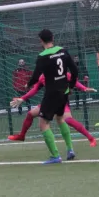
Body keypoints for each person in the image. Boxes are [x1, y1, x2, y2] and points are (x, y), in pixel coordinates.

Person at [9, 72, 98, 154]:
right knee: (31, 114)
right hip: (49, 101)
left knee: (66, 120)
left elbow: (74, 81)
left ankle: (90, 139)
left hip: (60, 100)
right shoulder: (43, 76)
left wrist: (84, 88)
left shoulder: (62, 72)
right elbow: (35, 89)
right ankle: (22, 136)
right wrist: (23, 98)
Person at [27, 29, 78, 164]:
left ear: (41, 41)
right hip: (64, 91)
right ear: (53, 38)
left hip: (51, 93)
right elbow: (75, 70)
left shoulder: (43, 56)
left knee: (43, 123)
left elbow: (36, 76)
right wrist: (71, 86)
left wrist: (28, 84)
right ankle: (70, 149)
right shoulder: (63, 51)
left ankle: (55, 156)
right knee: (60, 119)